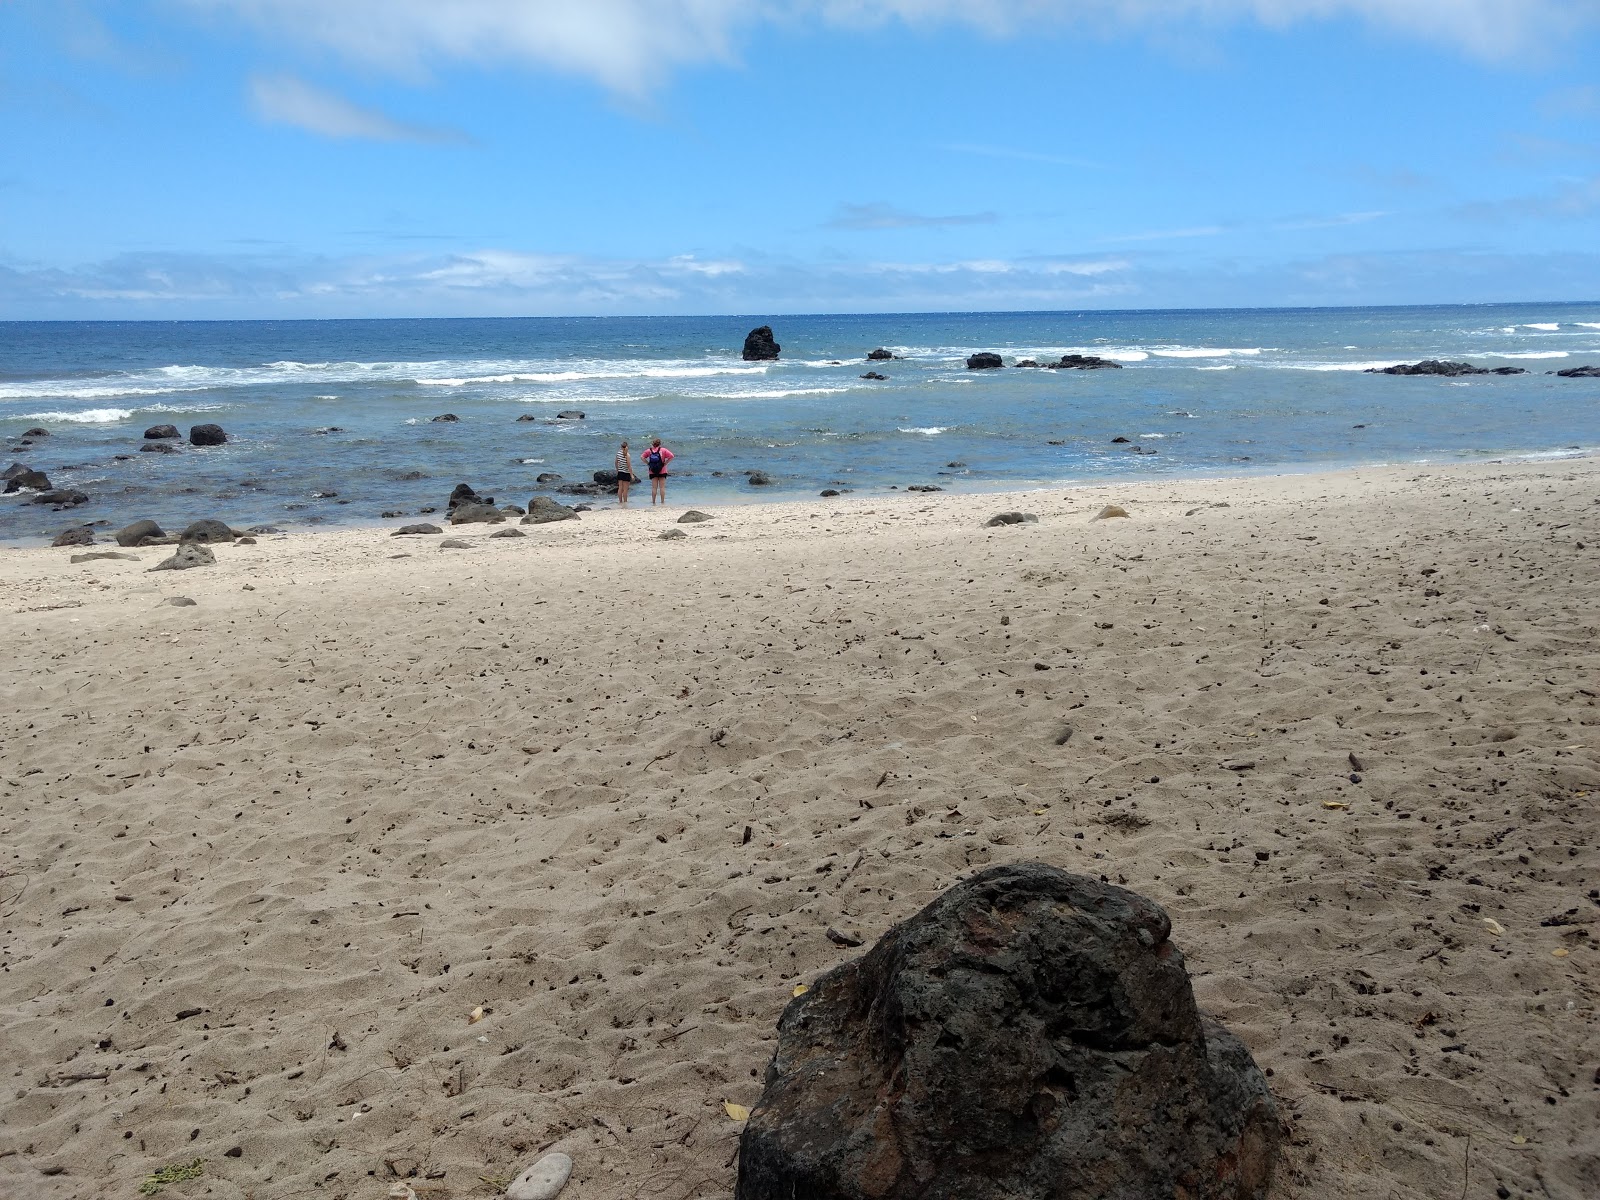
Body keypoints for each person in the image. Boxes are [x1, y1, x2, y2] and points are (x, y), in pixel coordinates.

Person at [642, 437, 674, 505]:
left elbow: (642, 457)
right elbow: (672, 456)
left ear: (653, 444)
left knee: (654, 487)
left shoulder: (649, 450)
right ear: (659, 444)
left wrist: (648, 463)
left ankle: (653, 502)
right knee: (662, 487)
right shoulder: (663, 450)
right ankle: (662, 502)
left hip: (652, 470)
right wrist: (666, 463)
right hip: (662, 470)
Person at [614, 440, 635, 505]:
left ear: (621, 447)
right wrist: (631, 475)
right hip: (626, 472)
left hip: (620, 472)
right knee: (625, 489)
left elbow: (616, 462)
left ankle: (620, 501)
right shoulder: (627, 455)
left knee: (620, 488)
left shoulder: (618, 453)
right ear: (627, 447)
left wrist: (617, 469)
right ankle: (625, 501)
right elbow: (629, 466)